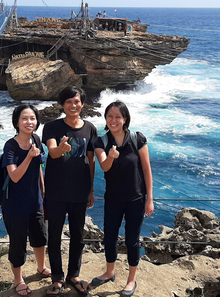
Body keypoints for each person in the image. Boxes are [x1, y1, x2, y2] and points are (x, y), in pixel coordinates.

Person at [90, 101, 154, 297]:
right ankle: (110, 272)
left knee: (132, 240)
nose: (114, 120)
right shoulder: (101, 142)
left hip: (136, 198)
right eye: (110, 116)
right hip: (113, 199)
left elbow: (146, 169)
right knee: (109, 237)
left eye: (118, 116)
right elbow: (105, 167)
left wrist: (149, 199)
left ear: (125, 118)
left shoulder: (137, 139)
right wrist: (110, 156)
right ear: (105, 119)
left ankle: (131, 279)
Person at [43, 86, 97, 296]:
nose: (73, 105)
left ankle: (73, 275)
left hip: (80, 192)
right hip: (56, 192)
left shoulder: (90, 128)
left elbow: (91, 160)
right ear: (62, 105)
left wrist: (91, 189)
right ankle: (57, 277)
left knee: (78, 237)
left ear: (82, 103)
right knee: (54, 237)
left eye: (77, 101)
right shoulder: (52, 127)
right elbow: (53, 152)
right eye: (69, 102)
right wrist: (61, 149)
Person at [1, 104, 51, 296]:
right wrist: (29, 157)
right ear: (16, 122)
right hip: (15, 205)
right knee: (18, 242)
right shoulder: (10, 146)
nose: (29, 122)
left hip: (35, 201)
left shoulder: (36, 139)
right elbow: (14, 176)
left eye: (32, 118)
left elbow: (38, 166)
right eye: (24, 118)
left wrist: (43, 190)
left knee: (40, 236)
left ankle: (41, 267)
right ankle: (18, 280)